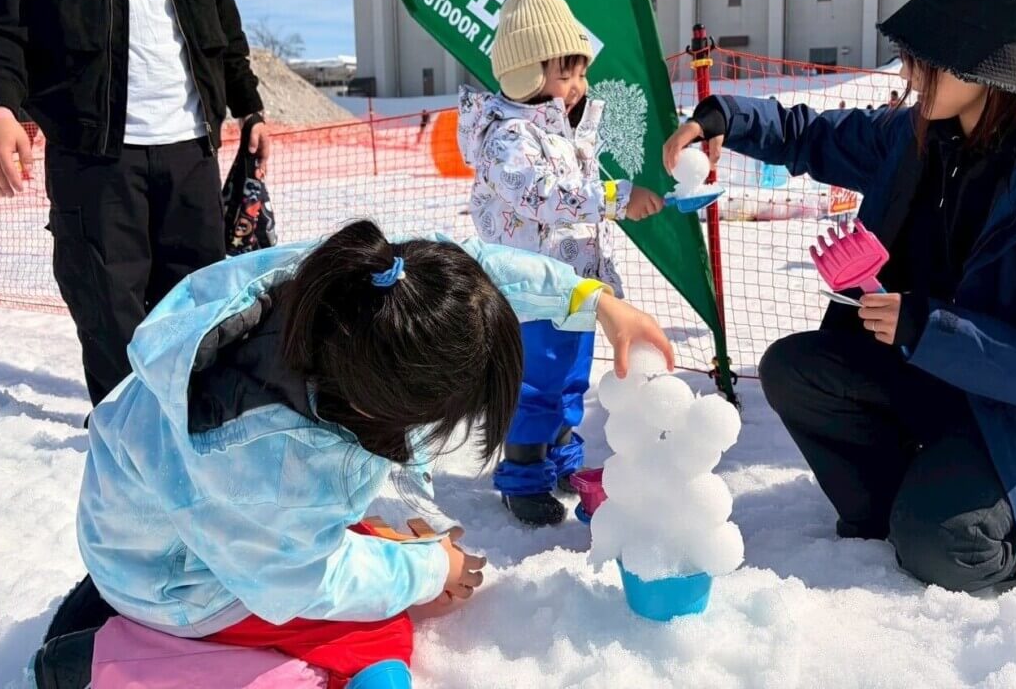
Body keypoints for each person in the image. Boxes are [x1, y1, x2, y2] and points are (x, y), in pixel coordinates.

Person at [663, 0, 1016, 592]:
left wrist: (928, 327)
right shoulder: (921, 135)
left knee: (945, 546)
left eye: (930, 57)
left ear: (987, 67)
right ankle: (898, 511)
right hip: (935, 380)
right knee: (796, 370)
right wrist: (727, 116)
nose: (913, 73)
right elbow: (814, 135)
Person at [71, 219, 673, 688]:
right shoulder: (263, 457)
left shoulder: (365, 286)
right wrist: (430, 570)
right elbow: (298, 581)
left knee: (387, 566)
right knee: (373, 631)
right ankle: (104, 663)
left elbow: (469, 275)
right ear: (378, 407)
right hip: (170, 578)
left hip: (196, 520)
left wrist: (591, 300)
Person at [0, 0, 270, 406]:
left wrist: (250, 107)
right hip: (93, 152)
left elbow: (224, 28)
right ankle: (130, 438)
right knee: (108, 308)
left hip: (190, 148)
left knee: (200, 303)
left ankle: (199, 423)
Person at [458, 0, 665, 525]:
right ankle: (523, 474)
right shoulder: (507, 139)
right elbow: (545, 196)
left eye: (580, 72)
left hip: (573, 284)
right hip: (531, 292)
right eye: (566, 74)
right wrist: (617, 196)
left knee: (571, 379)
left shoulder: (563, 130)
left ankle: (561, 456)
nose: (580, 86)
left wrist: (604, 277)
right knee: (535, 384)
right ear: (526, 74)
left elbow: (575, 217)